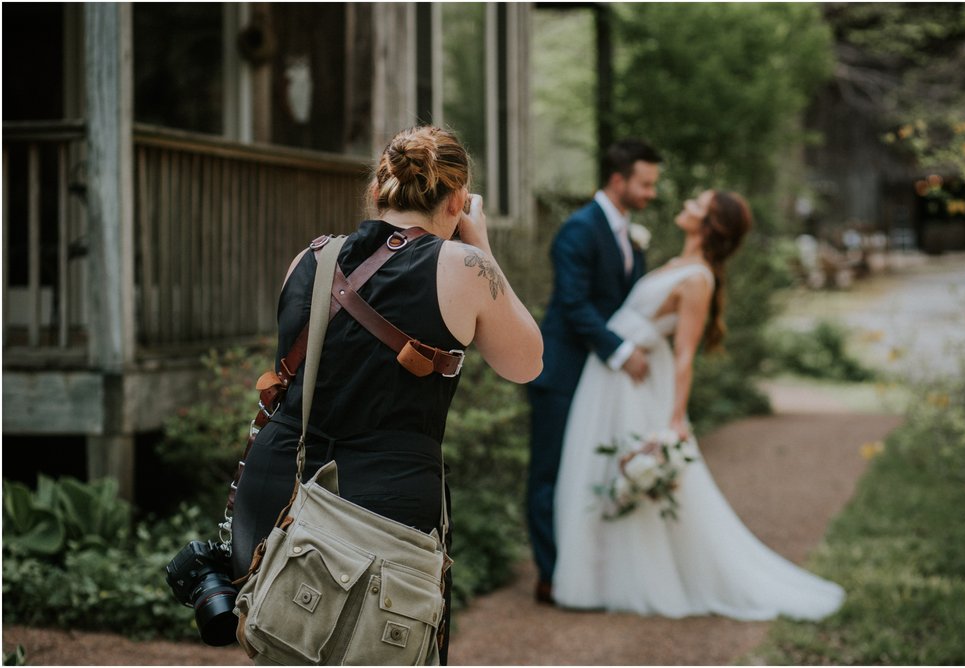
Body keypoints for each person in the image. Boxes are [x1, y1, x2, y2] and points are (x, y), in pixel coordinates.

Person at [231, 125, 543, 663]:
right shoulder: (465, 266)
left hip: (282, 486)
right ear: (458, 202)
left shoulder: (310, 258)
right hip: (379, 503)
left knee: (285, 648)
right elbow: (527, 363)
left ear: (377, 191)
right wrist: (483, 248)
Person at [551, 190, 845, 620]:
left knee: (630, 468)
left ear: (710, 225)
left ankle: (642, 579)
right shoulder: (676, 265)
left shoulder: (698, 279)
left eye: (698, 204)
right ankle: (598, 578)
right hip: (612, 375)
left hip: (639, 382)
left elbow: (686, 353)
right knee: (598, 467)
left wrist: (674, 420)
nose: (687, 204)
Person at [527, 139, 663, 604]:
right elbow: (574, 305)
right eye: (645, 184)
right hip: (563, 372)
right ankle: (550, 576)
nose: (650, 193)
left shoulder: (627, 232)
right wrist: (623, 352)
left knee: (587, 470)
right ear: (618, 179)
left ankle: (585, 570)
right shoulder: (579, 230)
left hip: (599, 380)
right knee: (549, 474)